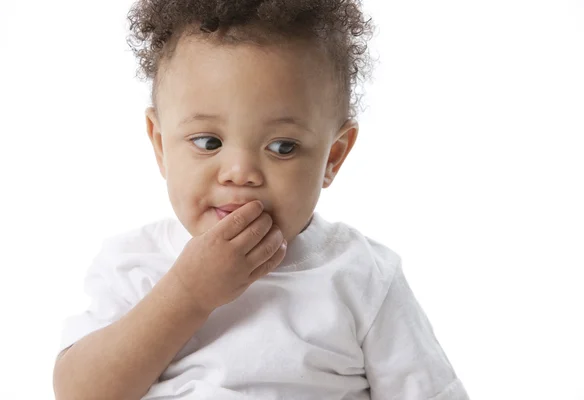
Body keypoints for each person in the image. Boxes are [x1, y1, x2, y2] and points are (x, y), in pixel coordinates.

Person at [53, 1, 469, 399]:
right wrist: (187, 294)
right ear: (161, 145)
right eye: (208, 141)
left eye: (283, 147)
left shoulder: (363, 277)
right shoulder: (134, 265)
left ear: (334, 156)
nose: (240, 172)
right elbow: (78, 392)